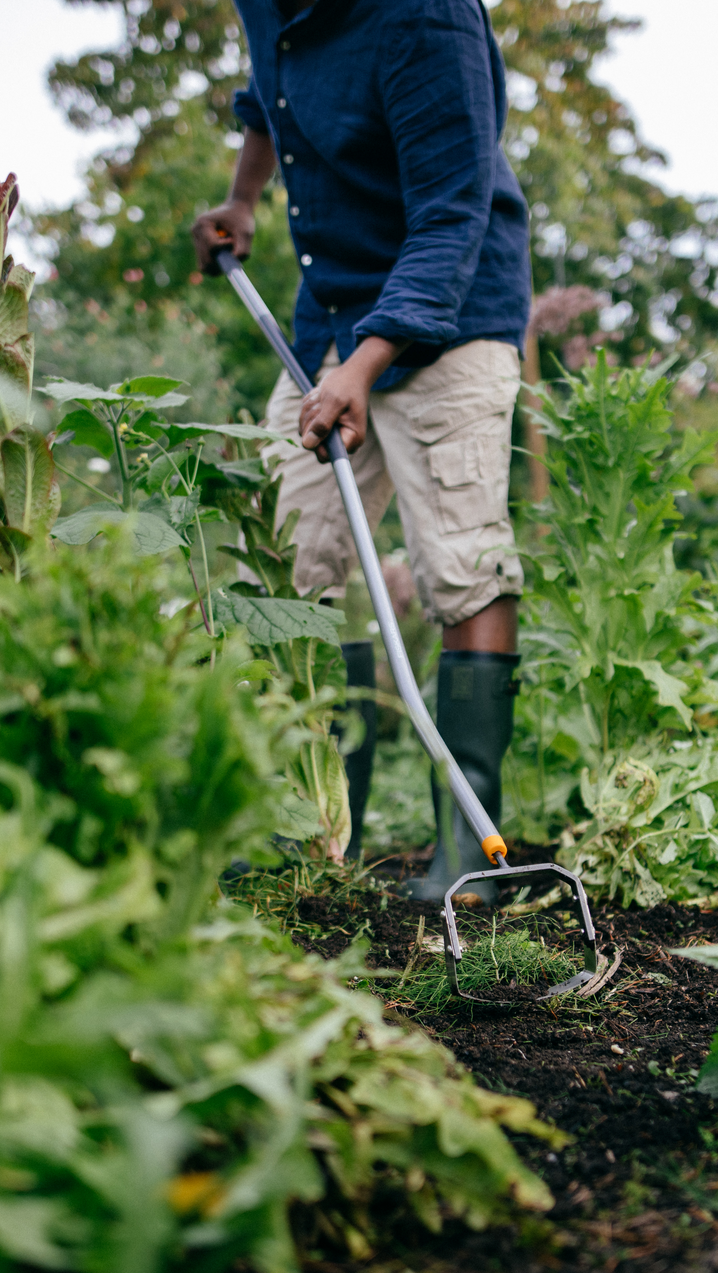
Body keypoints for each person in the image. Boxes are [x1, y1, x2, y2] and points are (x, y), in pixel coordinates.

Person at [190, 0, 531, 904]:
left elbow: (454, 213)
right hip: (332, 316)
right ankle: (311, 826)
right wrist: (244, 195)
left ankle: (468, 850)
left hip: (450, 322)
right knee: (284, 561)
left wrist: (371, 366)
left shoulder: (426, 17)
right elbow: (272, 91)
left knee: (461, 563)